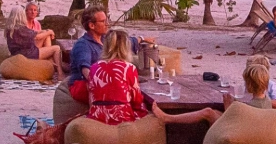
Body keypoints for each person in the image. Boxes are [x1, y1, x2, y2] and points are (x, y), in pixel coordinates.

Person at [84, 29, 218, 133]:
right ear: (125, 48)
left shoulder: (94, 67)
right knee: (151, 112)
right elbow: (136, 100)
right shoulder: (128, 68)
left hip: (97, 115)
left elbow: (92, 96)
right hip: (120, 117)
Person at [66, 7, 153, 101]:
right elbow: (85, 70)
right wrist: (105, 84)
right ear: (91, 25)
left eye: (107, 20)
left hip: (105, 82)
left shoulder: (105, 39)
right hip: (83, 85)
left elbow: (125, 41)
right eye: (103, 21)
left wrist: (142, 39)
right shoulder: (83, 45)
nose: (107, 24)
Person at [7, 3, 66, 77]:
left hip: (20, 51)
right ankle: (60, 73)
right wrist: (49, 32)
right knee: (56, 48)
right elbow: (37, 37)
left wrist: (45, 31)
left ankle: (49, 60)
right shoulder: (21, 29)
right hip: (27, 53)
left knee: (45, 34)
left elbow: (34, 32)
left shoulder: (11, 28)